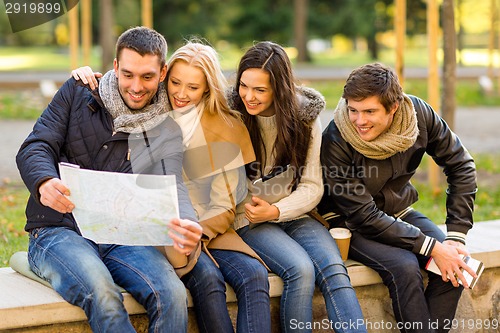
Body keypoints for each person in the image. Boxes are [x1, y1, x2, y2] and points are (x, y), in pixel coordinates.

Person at [71, 40, 271, 333]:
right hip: (157, 227)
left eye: (192, 87)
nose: (180, 93)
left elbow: (225, 207)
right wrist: (86, 73)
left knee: (253, 275)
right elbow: (128, 78)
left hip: (207, 228)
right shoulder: (148, 109)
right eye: (175, 82)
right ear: (165, 76)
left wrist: (193, 231)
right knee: (208, 279)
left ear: (207, 88)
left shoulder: (226, 126)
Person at [16, 26, 203, 333]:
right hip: (58, 230)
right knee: (103, 294)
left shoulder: (166, 128)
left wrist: (188, 221)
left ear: (162, 71)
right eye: (127, 74)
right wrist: (43, 182)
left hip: (122, 235)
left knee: (171, 294)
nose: (136, 86)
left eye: (147, 76)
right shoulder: (78, 92)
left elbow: (173, 184)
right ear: (115, 67)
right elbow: (36, 145)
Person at [318, 62, 477, 332]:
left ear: (393, 107)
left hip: (397, 211)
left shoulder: (419, 116)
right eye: (353, 110)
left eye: (369, 111)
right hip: (349, 222)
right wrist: (434, 247)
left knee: (455, 266)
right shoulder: (336, 138)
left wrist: (455, 236)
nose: (358, 121)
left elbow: (461, 165)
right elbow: (362, 215)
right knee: (404, 268)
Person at [227, 41, 367, 333]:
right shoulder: (230, 116)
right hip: (249, 218)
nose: (249, 96)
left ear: (279, 88)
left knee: (334, 271)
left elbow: (312, 187)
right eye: (244, 86)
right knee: (300, 270)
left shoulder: (304, 119)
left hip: (293, 213)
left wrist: (277, 210)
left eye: (260, 90)